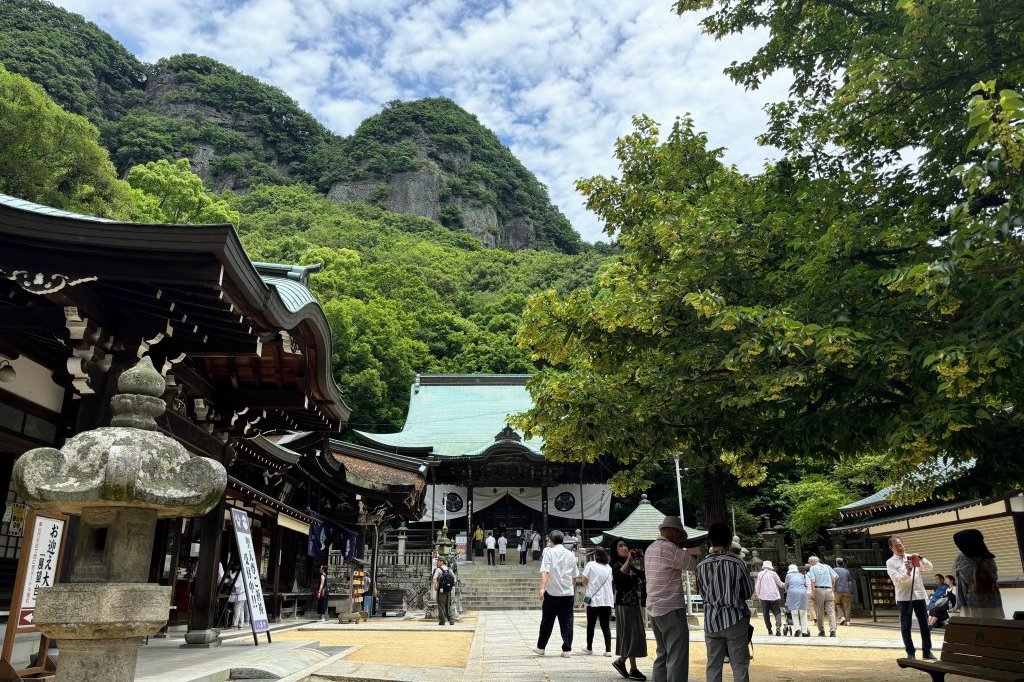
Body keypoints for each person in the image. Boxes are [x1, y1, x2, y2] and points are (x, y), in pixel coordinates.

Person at [645, 516, 698, 682]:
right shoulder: (670, 549)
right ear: (674, 532)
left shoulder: (650, 548)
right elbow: (692, 564)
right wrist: (694, 551)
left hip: (653, 608)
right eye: (680, 536)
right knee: (677, 656)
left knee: (662, 653)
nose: (680, 540)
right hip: (671, 608)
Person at [697, 522, 751, 682]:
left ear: (710, 541)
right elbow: (747, 592)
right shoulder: (737, 563)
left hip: (711, 621)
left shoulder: (700, 566)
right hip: (735, 619)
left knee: (713, 665)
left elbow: (701, 594)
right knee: (739, 665)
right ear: (729, 541)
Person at [886, 535, 935, 661]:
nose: (900, 547)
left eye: (901, 545)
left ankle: (927, 651)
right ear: (891, 548)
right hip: (904, 597)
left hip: (919, 595)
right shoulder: (890, 562)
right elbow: (897, 580)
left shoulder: (912, 557)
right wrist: (907, 572)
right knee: (906, 626)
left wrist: (922, 559)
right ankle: (910, 652)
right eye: (896, 546)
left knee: (924, 624)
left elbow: (929, 568)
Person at [533, 530, 579, 657]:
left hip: (552, 592)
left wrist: (542, 588)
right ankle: (567, 649)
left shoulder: (549, 553)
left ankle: (541, 647)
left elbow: (545, 572)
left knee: (547, 620)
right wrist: (572, 587)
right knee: (567, 621)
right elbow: (574, 575)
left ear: (552, 540)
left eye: (548, 540)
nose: (548, 542)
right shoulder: (570, 554)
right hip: (568, 593)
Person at [611, 539, 648, 680]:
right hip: (624, 605)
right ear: (616, 551)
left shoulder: (632, 567)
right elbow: (621, 578)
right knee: (631, 634)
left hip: (633, 604)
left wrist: (643, 559)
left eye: (625, 545)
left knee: (634, 634)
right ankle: (630, 667)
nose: (625, 547)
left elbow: (645, 575)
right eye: (620, 546)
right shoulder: (616, 566)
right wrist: (629, 560)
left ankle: (624, 663)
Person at [952, 528, 1004, 619]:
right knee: (995, 628)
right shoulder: (988, 556)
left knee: (977, 630)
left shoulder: (961, 558)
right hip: (992, 599)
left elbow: (962, 581)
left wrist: (959, 604)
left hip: (973, 601)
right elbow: (994, 577)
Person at [581, 546, 615, 657]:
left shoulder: (591, 565)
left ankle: (589, 647)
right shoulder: (609, 568)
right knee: (605, 625)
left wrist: (590, 588)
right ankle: (608, 650)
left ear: (595, 555)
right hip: (607, 600)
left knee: (591, 624)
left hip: (594, 600)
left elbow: (584, 580)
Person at [808, 556, 838, 637]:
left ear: (812, 562)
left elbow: (813, 581)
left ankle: (821, 630)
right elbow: (835, 577)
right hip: (829, 590)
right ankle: (833, 630)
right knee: (831, 611)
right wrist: (832, 586)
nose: (809, 564)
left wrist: (812, 592)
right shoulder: (827, 566)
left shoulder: (812, 568)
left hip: (819, 589)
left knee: (820, 611)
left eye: (809, 562)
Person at [754, 560, 785, 636]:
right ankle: (778, 626)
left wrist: (758, 594)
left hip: (763, 596)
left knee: (766, 613)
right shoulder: (773, 573)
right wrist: (787, 585)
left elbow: (757, 585)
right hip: (774, 596)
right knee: (777, 612)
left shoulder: (760, 574)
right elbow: (780, 583)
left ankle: (769, 630)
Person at [784, 563, 811, 636]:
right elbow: (805, 585)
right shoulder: (801, 575)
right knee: (803, 612)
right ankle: (804, 631)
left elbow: (786, 585)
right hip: (802, 593)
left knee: (794, 612)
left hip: (792, 593)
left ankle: (797, 630)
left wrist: (787, 591)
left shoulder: (788, 575)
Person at [432, 558, 456, 625]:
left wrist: (435, 586)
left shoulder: (438, 569)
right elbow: (454, 578)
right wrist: (450, 586)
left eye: (438, 561)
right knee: (448, 605)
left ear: (442, 561)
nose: (437, 563)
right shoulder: (449, 569)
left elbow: (434, 578)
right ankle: (450, 619)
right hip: (448, 591)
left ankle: (442, 620)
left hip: (441, 590)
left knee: (440, 605)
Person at [834, 558, 853, 625]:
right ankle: (848, 621)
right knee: (847, 606)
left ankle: (842, 617)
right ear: (843, 563)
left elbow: (833, 580)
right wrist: (849, 589)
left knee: (838, 604)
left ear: (836, 563)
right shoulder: (846, 571)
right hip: (846, 590)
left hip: (837, 590)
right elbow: (850, 582)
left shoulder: (834, 570)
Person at [228, 562, 247, 629]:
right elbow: (231, 577)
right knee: (241, 609)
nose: (235, 567)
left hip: (240, 595)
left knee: (237, 609)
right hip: (243, 595)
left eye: (236, 566)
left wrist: (229, 582)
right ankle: (241, 624)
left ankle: (234, 624)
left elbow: (235, 585)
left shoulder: (238, 573)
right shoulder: (242, 573)